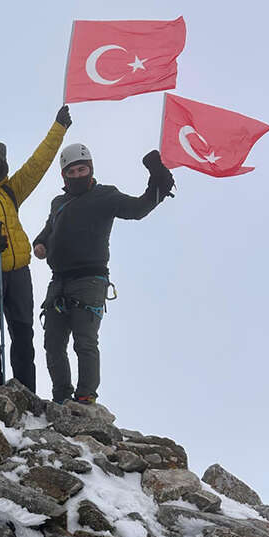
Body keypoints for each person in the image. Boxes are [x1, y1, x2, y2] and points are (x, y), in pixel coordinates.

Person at [32, 145, 174, 404]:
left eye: (82, 169)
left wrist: (158, 180)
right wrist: (40, 244)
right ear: (64, 176)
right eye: (72, 172)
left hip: (90, 280)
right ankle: (61, 397)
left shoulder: (105, 196)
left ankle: (85, 396)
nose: (77, 175)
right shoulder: (59, 203)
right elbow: (48, 230)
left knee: (84, 341)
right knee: (53, 343)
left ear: (91, 169)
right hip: (59, 280)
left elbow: (138, 209)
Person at [0, 105, 71, 392]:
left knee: (22, 330)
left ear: (1, 167)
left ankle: (25, 392)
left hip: (19, 270)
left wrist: (58, 128)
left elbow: (36, 166)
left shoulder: (11, 191)